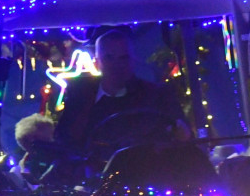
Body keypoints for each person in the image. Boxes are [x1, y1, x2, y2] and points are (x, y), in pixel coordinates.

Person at [55, 29, 190, 158]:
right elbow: (64, 143)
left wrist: (181, 135)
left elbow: (183, 139)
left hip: (146, 174)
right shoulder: (79, 99)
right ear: (96, 63)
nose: (117, 65)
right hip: (92, 177)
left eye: (123, 58)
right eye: (109, 58)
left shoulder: (157, 96)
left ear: (133, 60)